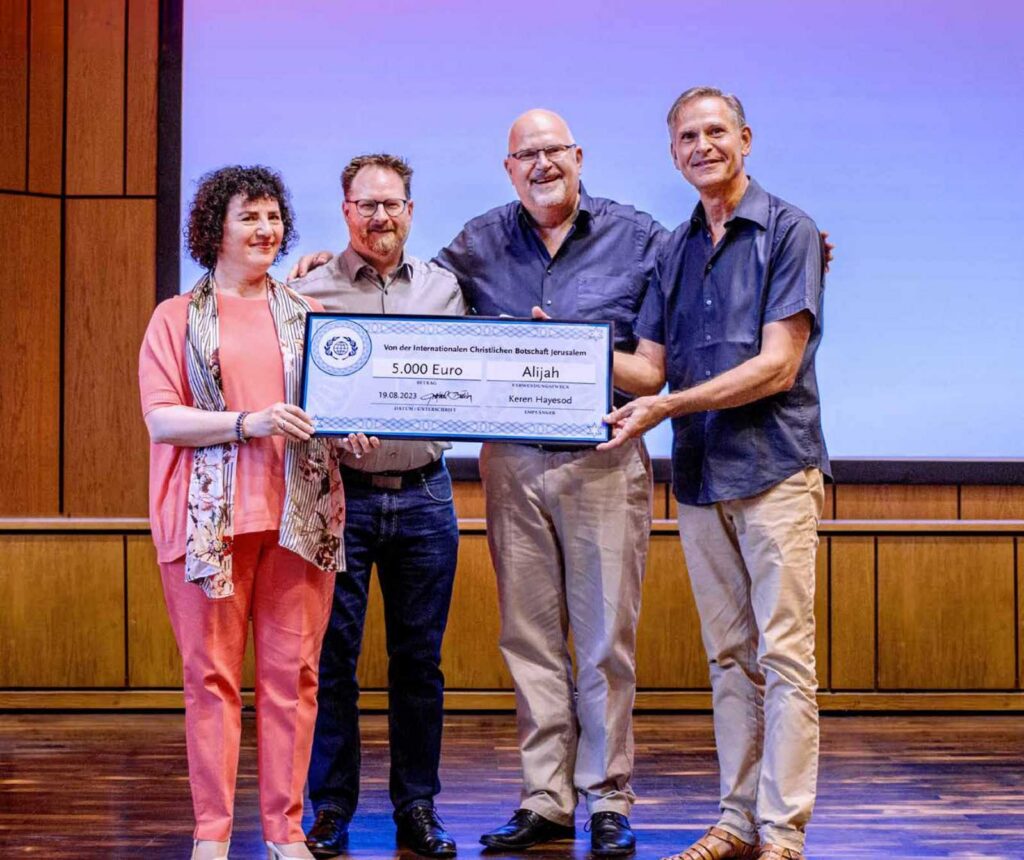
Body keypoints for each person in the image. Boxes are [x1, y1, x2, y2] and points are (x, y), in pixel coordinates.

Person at [603, 87, 829, 860]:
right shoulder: (673, 247)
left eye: (716, 132)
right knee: (729, 659)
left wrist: (669, 408)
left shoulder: (790, 230)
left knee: (785, 657)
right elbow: (648, 370)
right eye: (688, 137)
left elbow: (778, 365)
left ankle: (782, 830)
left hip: (774, 471)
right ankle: (735, 820)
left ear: (745, 139)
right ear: (673, 152)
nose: (703, 146)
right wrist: (566, 353)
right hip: (700, 478)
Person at [436, 110, 662, 857]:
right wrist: (323, 265)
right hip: (509, 463)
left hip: (603, 459)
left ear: (578, 156)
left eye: (553, 150)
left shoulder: (640, 237)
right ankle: (546, 799)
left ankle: (608, 799)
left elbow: (655, 372)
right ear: (508, 169)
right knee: (529, 640)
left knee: (604, 645)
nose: (541, 163)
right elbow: (402, 297)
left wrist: (566, 351)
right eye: (525, 154)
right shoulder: (476, 242)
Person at [139, 165, 358, 860]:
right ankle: (212, 833)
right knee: (210, 680)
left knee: (294, 680)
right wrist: (248, 422)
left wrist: (350, 428)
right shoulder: (174, 316)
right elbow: (163, 420)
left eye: (273, 217)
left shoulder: (311, 315)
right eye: (250, 217)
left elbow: (330, 408)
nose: (267, 230)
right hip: (207, 524)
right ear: (214, 231)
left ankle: (284, 832)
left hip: (300, 520)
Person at [292, 154, 464, 859]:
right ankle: (329, 810)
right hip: (342, 499)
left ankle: (417, 809)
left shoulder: (447, 288)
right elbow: (285, 381)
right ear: (345, 212)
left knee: (418, 663)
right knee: (332, 661)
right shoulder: (307, 289)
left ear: (411, 210)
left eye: (392, 203)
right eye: (366, 205)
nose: (380, 216)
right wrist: (329, 424)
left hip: (426, 494)